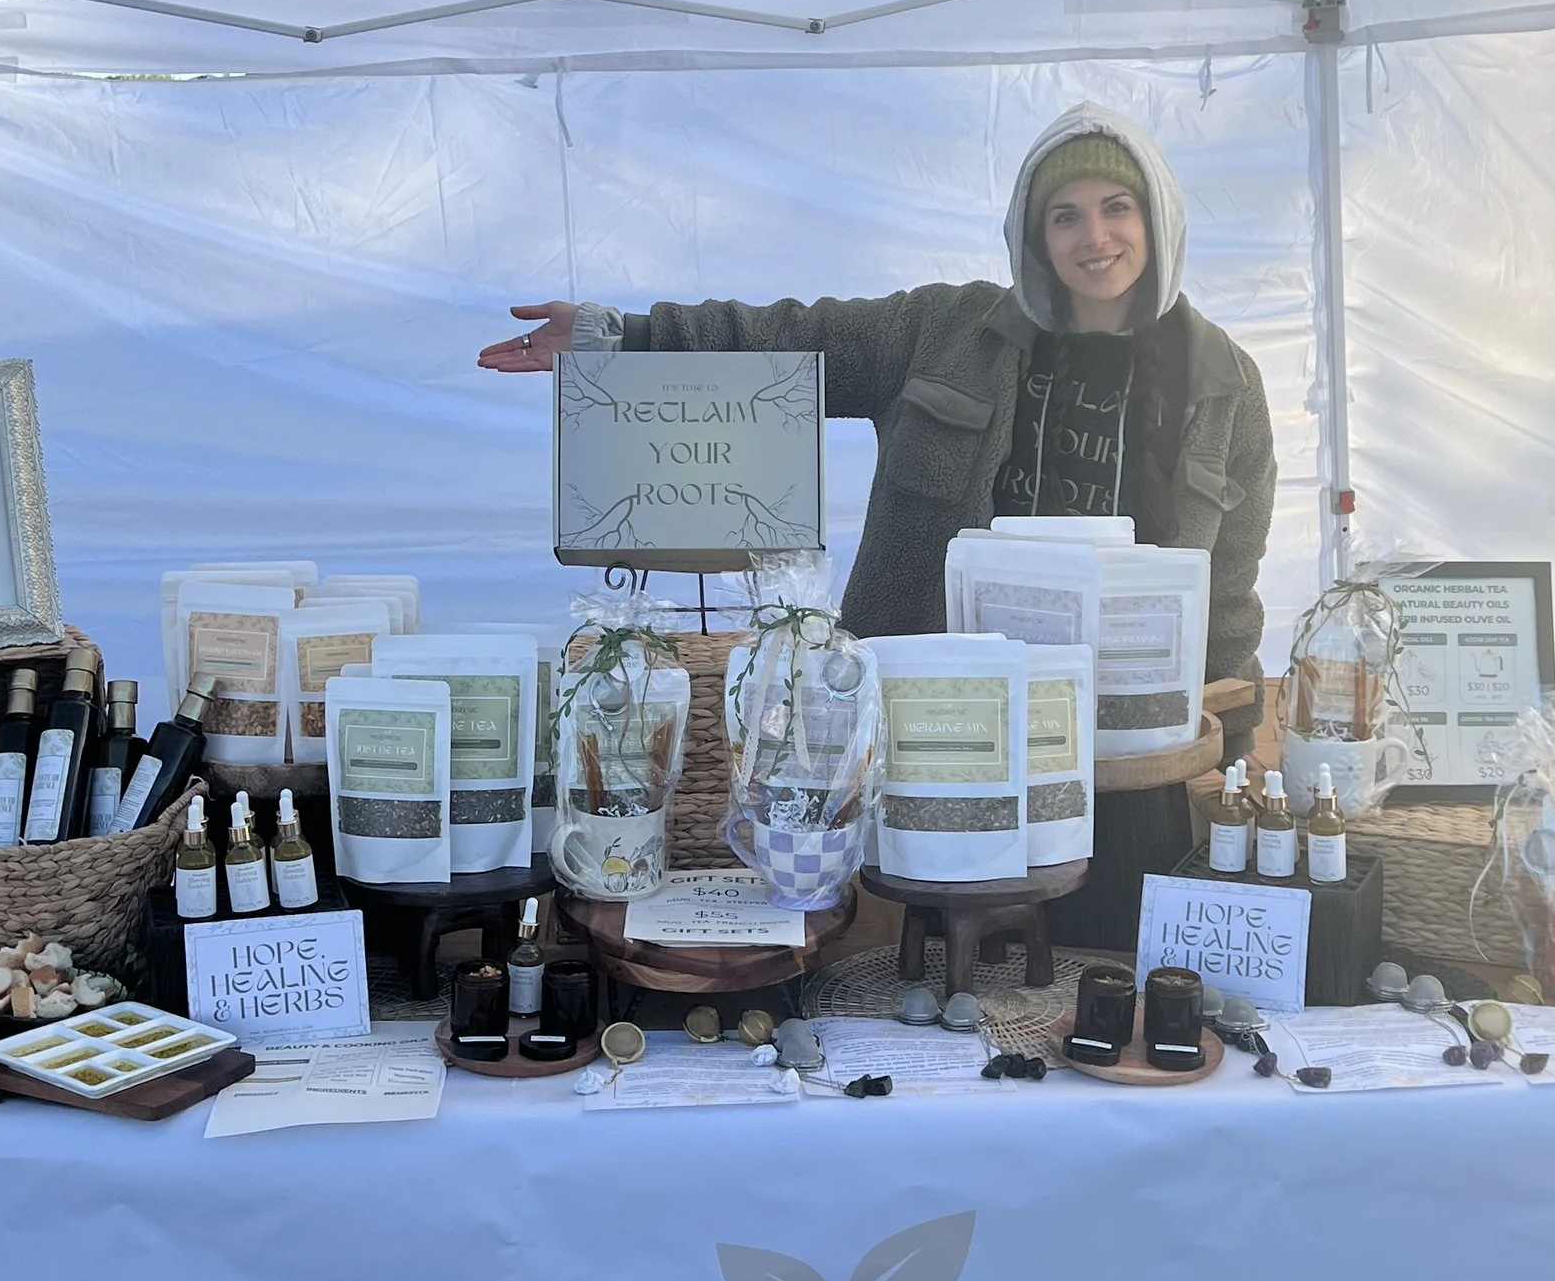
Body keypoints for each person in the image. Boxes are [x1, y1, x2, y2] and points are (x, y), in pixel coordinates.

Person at [480, 107, 1277, 924]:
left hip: (1125, 761)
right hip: (940, 731)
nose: (1093, 236)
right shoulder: (945, 329)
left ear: (1158, 214)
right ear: (1032, 234)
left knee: (1109, 961)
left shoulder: (1226, 384)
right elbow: (788, 338)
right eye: (1063, 214)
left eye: (1117, 206)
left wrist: (1231, 748)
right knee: (938, 962)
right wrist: (625, 338)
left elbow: (1233, 584)